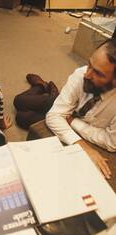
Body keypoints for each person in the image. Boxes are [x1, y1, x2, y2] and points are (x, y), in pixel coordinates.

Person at [45, 38, 116, 179]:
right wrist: (83, 146)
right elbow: (53, 116)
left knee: (24, 115)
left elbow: (111, 142)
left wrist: (73, 122)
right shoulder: (81, 74)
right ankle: (43, 87)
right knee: (21, 102)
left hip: (71, 113)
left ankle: (48, 90)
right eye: (89, 64)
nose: (87, 74)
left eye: (98, 73)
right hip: (70, 107)